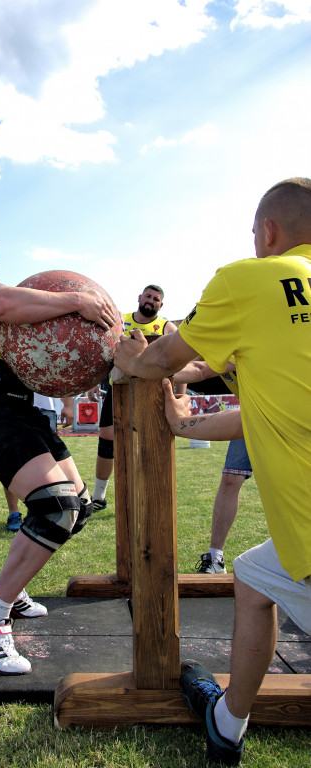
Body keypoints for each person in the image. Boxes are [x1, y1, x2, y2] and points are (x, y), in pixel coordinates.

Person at [113, 177, 311, 764]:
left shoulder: (249, 278)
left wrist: (132, 358)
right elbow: (272, 408)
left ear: (268, 231)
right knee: (253, 578)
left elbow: (159, 360)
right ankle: (227, 724)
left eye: (255, 233)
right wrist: (183, 425)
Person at [0, 221, 116, 674]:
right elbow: (4, 302)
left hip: (18, 409)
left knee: (77, 504)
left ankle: (4, 586)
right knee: (55, 507)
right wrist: (77, 301)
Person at [89, 285, 177, 511]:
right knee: (107, 438)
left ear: (161, 305)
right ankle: (99, 495)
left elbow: (179, 360)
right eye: (148, 296)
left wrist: (180, 395)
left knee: (148, 442)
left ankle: (146, 495)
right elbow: (100, 353)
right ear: (139, 297)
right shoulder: (120, 319)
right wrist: (91, 382)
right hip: (118, 388)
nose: (151, 301)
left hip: (151, 393)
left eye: (156, 299)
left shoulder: (167, 327)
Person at [173, 361, 251, 575]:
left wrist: (146, 367)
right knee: (230, 478)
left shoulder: (239, 334)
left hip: (280, 414)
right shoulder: (216, 340)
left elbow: (200, 369)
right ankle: (216, 558)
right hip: (255, 411)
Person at [4, 394, 74, 531]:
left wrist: (68, 405)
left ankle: (42, 510)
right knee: (12, 461)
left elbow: (61, 374)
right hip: (13, 405)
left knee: (48, 464)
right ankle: (13, 512)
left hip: (45, 409)